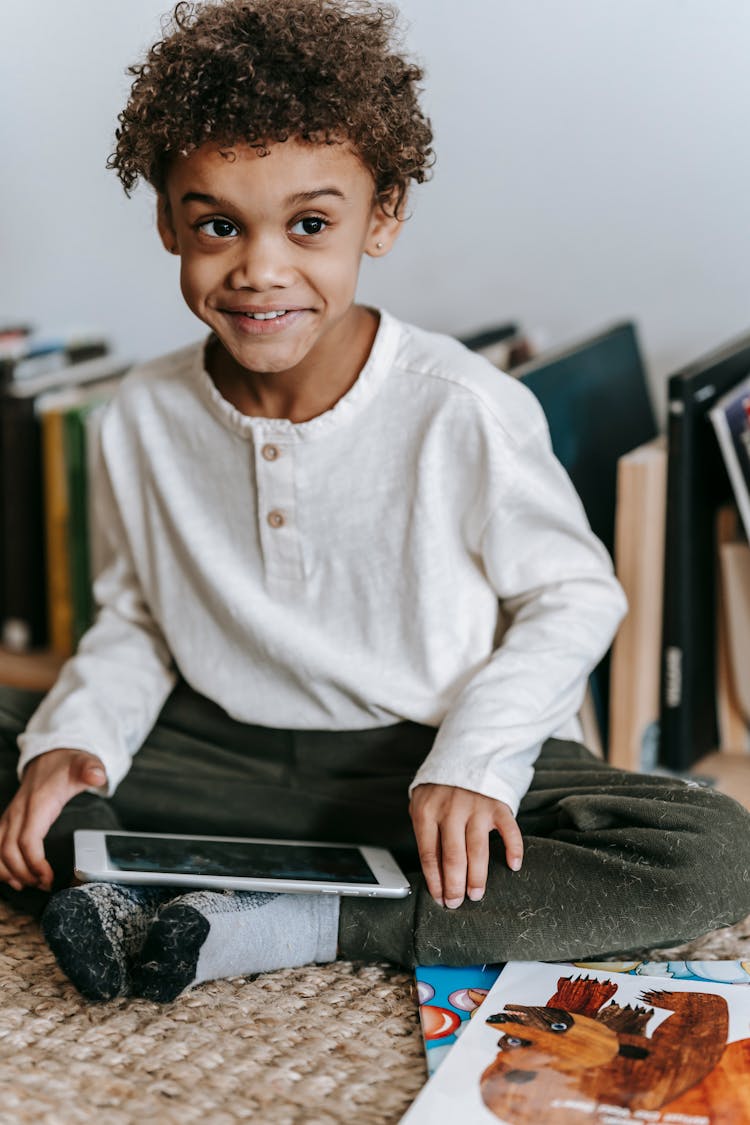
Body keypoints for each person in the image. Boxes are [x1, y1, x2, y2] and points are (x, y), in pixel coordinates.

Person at [1, 0, 749, 1005]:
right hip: (220, 751)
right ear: (169, 219)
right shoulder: (142, 412)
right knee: (30, 744)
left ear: (383, 214)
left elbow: (575, 598)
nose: (260, 269)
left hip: (419, 760)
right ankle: (145, 869)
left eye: (310, 225)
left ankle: (279, 918)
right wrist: (74, 741)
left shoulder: (465, 409)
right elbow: (137, 614)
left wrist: (475, 761)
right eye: (217, 224)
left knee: (708, 849)